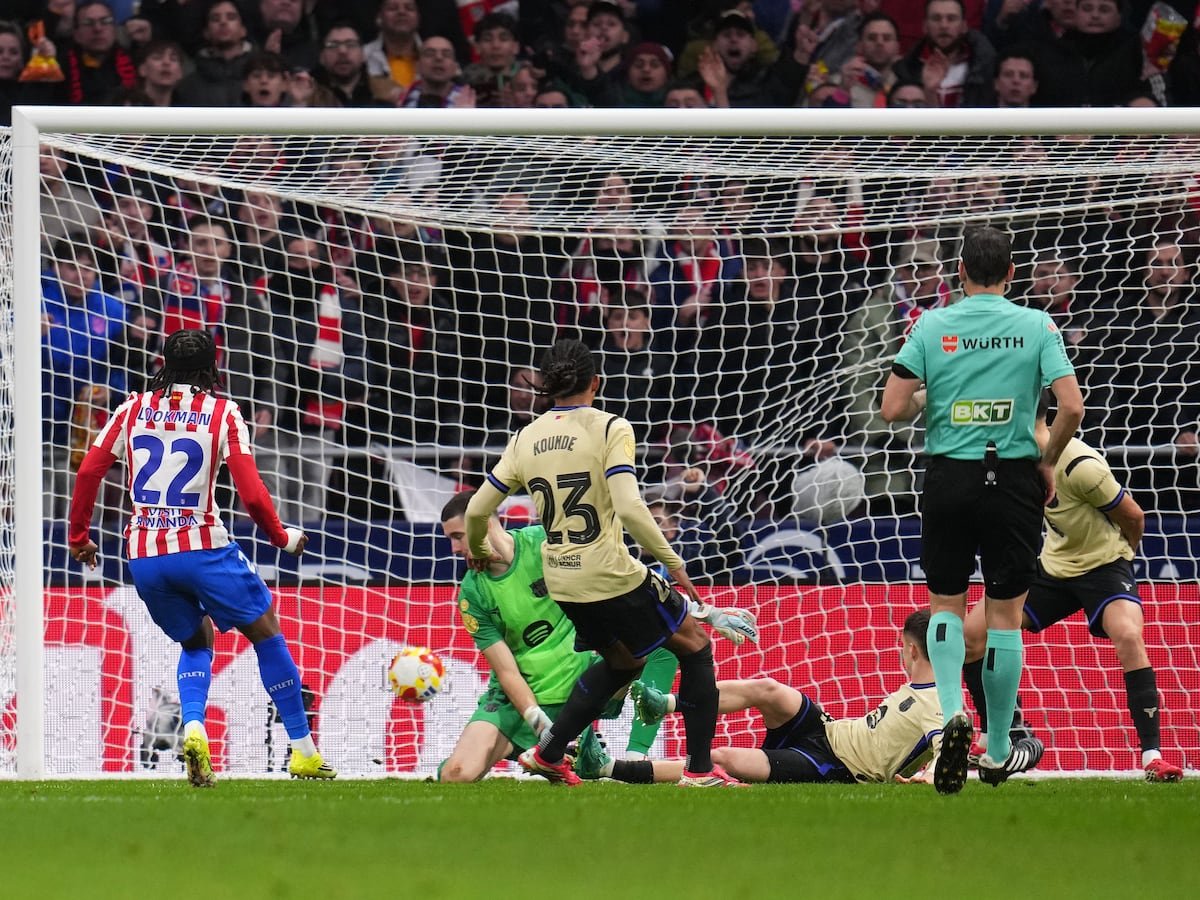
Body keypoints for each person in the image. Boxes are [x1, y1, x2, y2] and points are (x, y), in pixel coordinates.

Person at [464, 339, 739, 787]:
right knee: (696, 645)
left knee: (624, 661)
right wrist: (673, 562)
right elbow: (630, 508)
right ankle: (701, 771)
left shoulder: (524, 437)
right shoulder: (611, 427)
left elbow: (476, 510)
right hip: (609, 572)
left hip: (563, 580)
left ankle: (550, 753)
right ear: (597, 383)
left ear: (548, 387)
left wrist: (476, 549)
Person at [66, 329, 336, 785]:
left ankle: (193, 725)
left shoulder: (130, 409)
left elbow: (89, 470)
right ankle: (304, 751)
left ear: (162, 364)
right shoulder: (222, 412)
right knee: (266, 634)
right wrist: (280, 536)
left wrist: (79, 537)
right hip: (203, 544)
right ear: (214, 369)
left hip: (146, 556)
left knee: (196, 641)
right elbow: (251, 493)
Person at [880, 225, 1084, 793]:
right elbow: (1071, 405)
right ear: (1012, 273)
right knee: (1004, 617)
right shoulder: (1036, 324)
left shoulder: (933, 324)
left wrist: (934, 394)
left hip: (950, 475)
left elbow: (892, 408)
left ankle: (949, 717)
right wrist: (1048, 458)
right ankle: (996, 749)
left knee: (945, 604)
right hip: (1014, 476)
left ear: (959, 273)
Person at [438, 491, 757, 782]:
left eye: (458, 536)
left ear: (482, 523)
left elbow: (629, 582)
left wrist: (706, 612)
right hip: (519, 700)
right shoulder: (472, 591)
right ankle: (571, 754)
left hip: (580, 685)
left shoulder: (545, 544)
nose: (453, 549)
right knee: (456, 776)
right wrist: (537, 721)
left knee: (665, 644)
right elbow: (505, 670)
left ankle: (644, 752)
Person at [962, 397, 1185, 783]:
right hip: (1053, 566)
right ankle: (1000, 733)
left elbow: (1133, 515)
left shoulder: (1080, 465)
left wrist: (1123, 556)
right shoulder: (1012, 459)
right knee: (971, 635)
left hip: (1103, 566)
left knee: (1129, 635)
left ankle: (1152, 755)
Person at [581, 609, 980, 786]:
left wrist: (927, 776)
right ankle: (663, 705)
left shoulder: (943, 707)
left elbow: (950, 756)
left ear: (910, 650)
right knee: (767, 689)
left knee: (720, 759)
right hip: (829, 730)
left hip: (834, 764)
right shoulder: (928, 692)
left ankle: (607, 768)